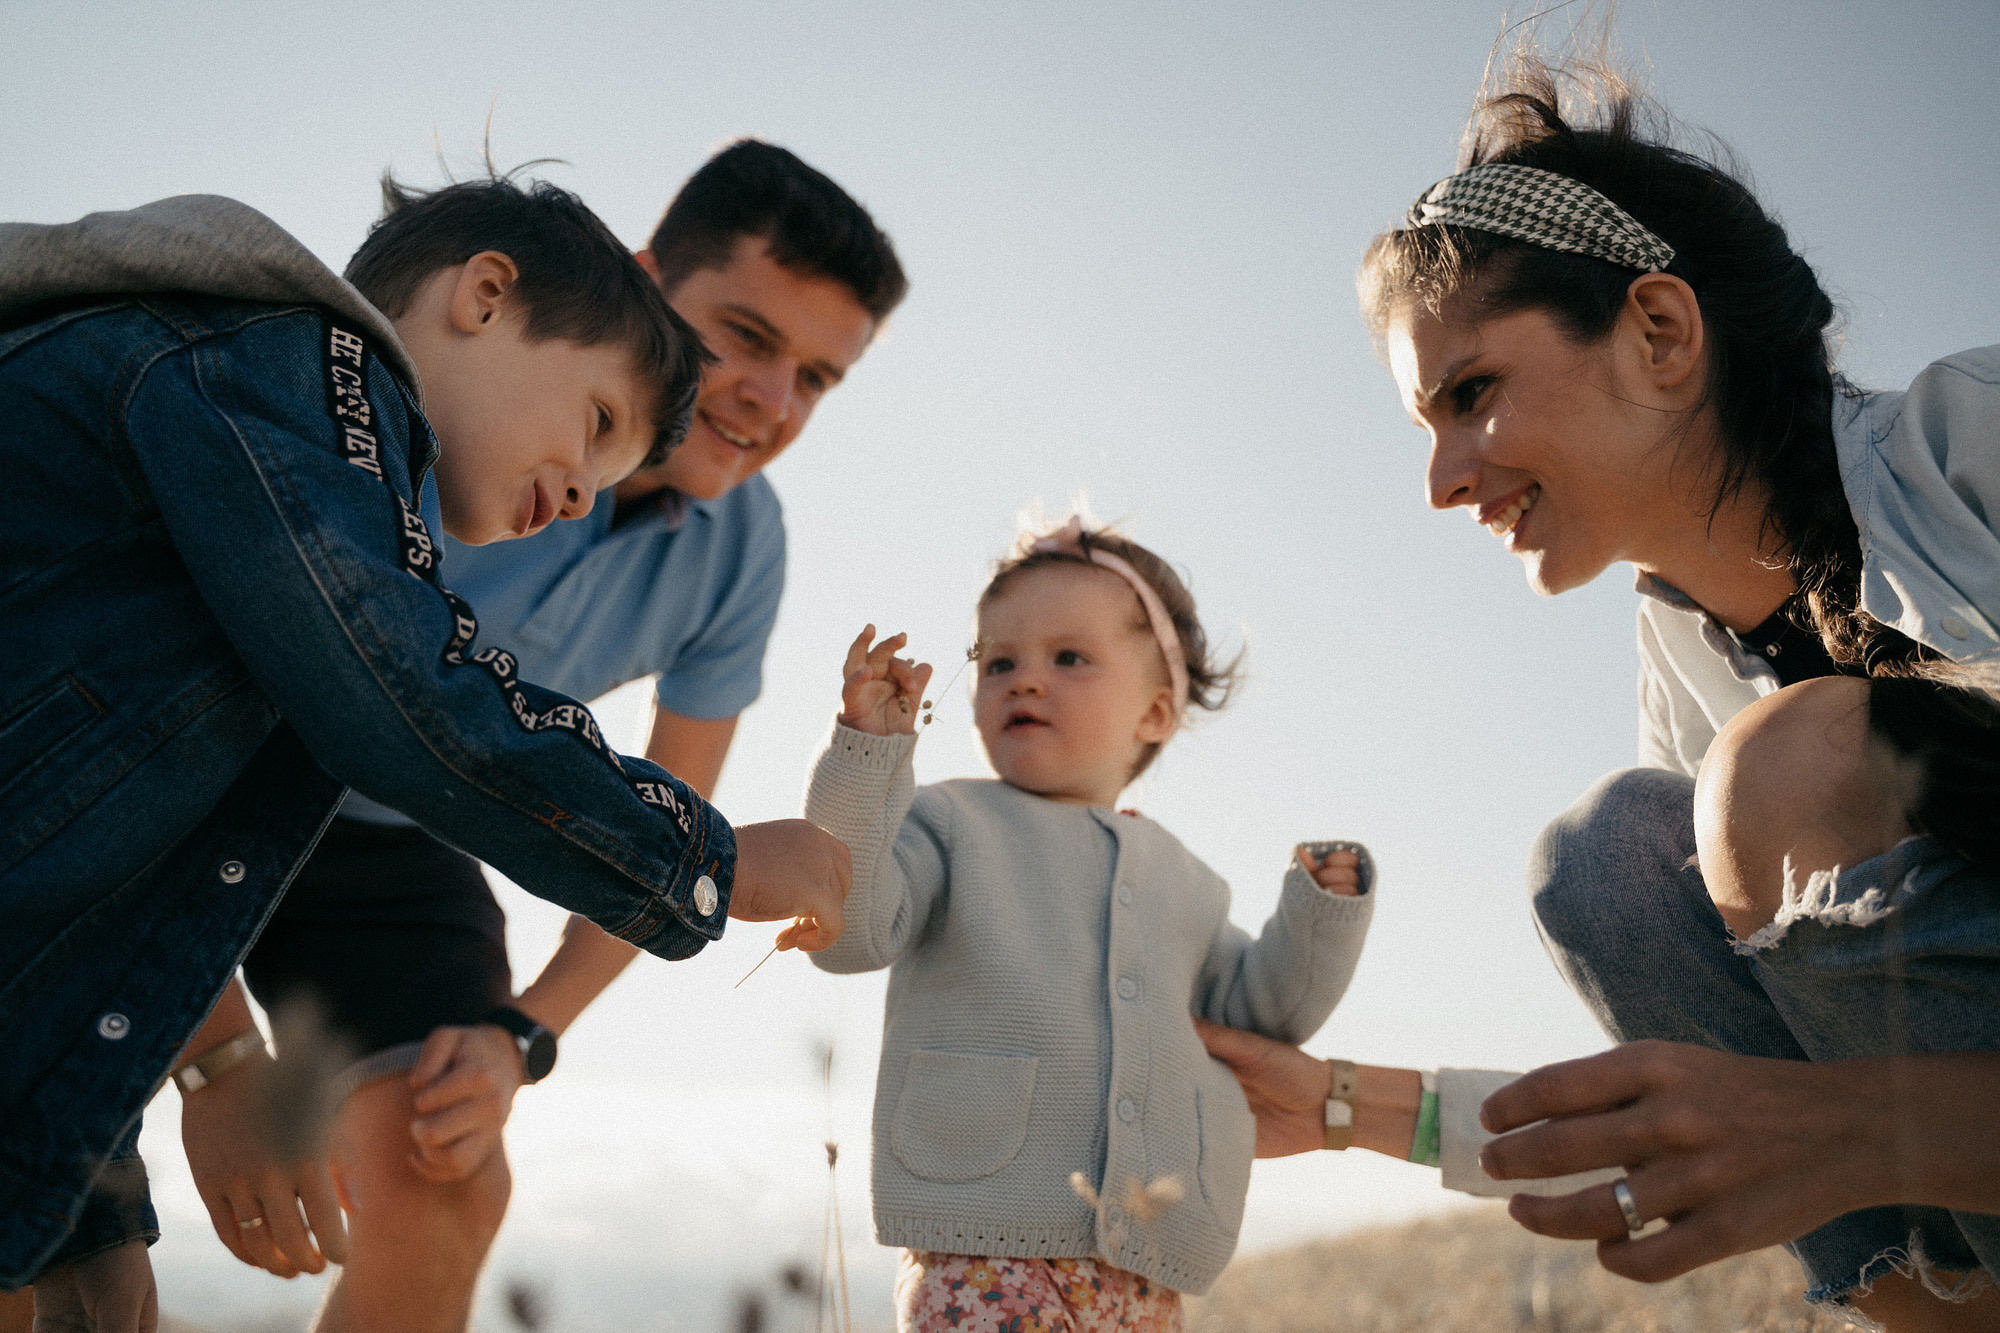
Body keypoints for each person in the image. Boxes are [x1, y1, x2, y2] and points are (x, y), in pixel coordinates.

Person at [1206, 46, 2000, 1333]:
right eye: (1425, 428)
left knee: (1771, 772)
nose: (1440, 482)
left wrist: (1852, 1126)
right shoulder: (1688, 711)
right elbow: (1706, 1119)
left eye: (1471, 395)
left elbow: (1794, 1128)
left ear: (1658, 331)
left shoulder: (1974, 444)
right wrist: (1342, 1103)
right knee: (1602, 859)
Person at [0, 178, 852, 1328]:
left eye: (819, 376)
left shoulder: (699, 537)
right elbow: (394, 686)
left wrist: (76, 1206)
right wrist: (710, 861)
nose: (571, 499)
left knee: (94, 1268)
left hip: (307, 824)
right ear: (487, 295)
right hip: (253, 784)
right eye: (594, 423)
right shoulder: (280, 373)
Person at [805, 517, 1377, 1328]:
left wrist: (1318, 914)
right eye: (998, 660)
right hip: (982, 1235)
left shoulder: (1186, 881)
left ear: (1154, 713)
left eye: (1068, 657)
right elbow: (850, 928)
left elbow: (1261, 1017)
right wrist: (866, 758)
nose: (1025, 679)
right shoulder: (946, 821)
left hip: (1142, 1261)